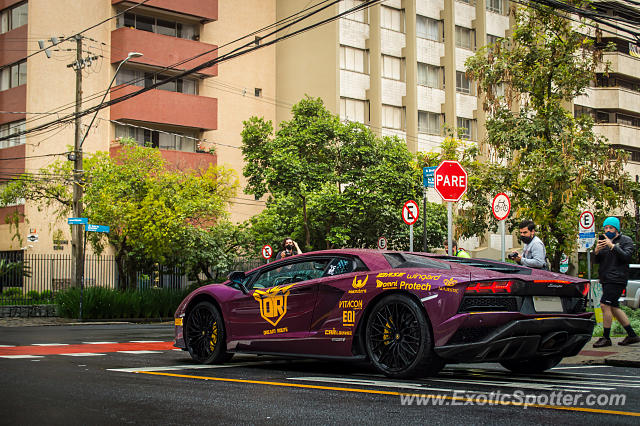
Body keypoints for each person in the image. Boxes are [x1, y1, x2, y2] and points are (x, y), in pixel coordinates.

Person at [593, 216, 640, 347]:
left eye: (611, 228)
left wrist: (612, 246)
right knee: (613, 307)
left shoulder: (626, 240)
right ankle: (632, 335)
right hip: (606, 278)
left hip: (617, 279)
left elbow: (626, 257)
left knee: (604, 305)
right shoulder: (603, 241)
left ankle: (606, 337)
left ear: (617, 229)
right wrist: (596, 251)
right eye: (606, 228)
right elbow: (597, 261)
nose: (608, 230)